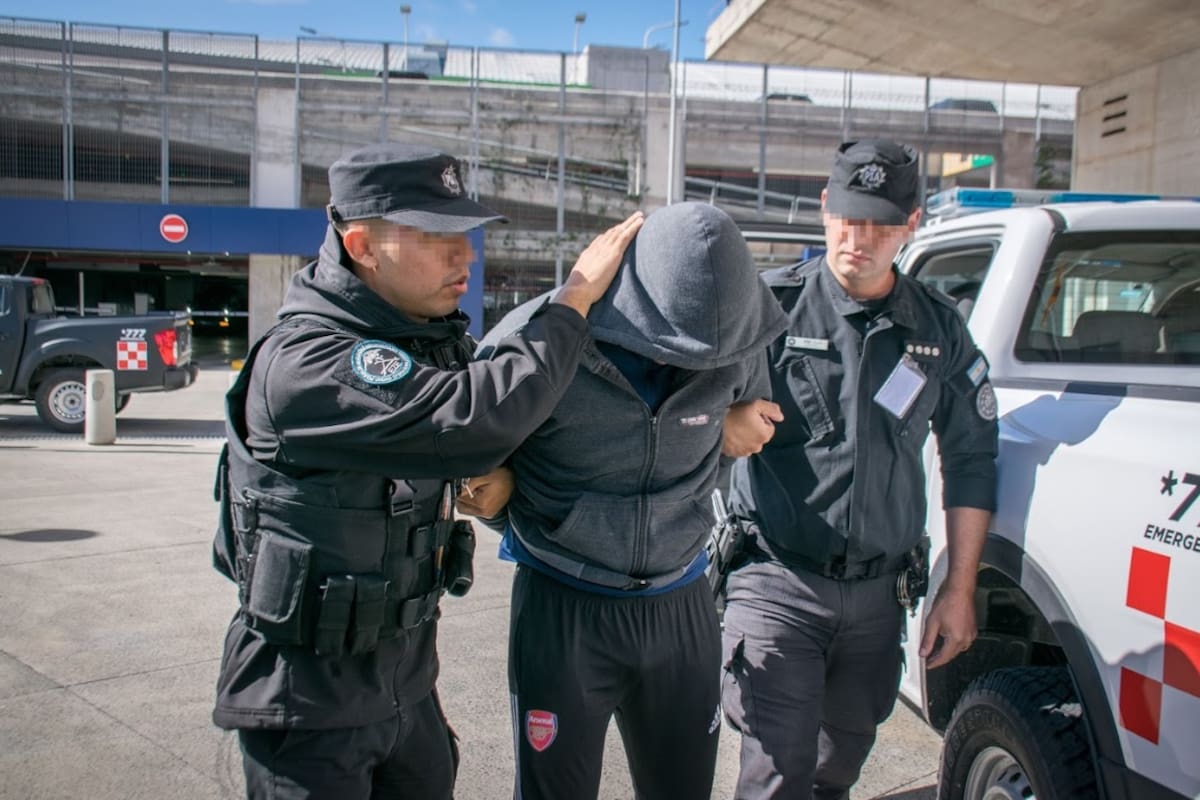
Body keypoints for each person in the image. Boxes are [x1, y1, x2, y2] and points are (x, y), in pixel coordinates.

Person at [209, 142, 643, 800]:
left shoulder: (419, 335)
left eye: (462, 235)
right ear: (360, 246)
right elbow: (475, 417)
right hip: (310, 708)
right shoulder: (308, 361)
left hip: (407, 687)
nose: (464, 257)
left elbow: (499, 431)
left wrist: (502, 478)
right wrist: (574, 298)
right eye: (434, 236)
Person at [463, 202, 788, 800]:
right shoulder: (538, 339)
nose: (706, 366)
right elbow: (476, 469)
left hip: (681, 605)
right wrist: (508, 498)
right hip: (564, 608)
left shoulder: (741, 339)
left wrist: (720, 429)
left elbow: (734, 434)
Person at [719, 139, 1000, 799]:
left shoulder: (939, 329)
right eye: (849, 218)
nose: (861, 238)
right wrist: (725, 424)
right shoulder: (768, 310)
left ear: (912, 224)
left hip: (878, 600)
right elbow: (689, 417)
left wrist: (957, 589)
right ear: (824, 209)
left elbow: (971, 457)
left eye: (881, 224)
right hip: (776, 581)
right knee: (775, 775)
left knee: (834, 770)